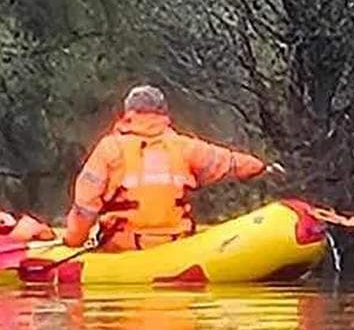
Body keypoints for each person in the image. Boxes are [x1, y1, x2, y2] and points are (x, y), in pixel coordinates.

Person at [63, 85, 285, 252]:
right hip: (176, 243)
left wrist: (73, 241)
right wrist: (261, 167)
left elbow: (85, 207)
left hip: (124, 247)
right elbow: (228, 162)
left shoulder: (109, 149)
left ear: (128, 112)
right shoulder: (184, 147)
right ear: (163, 113)